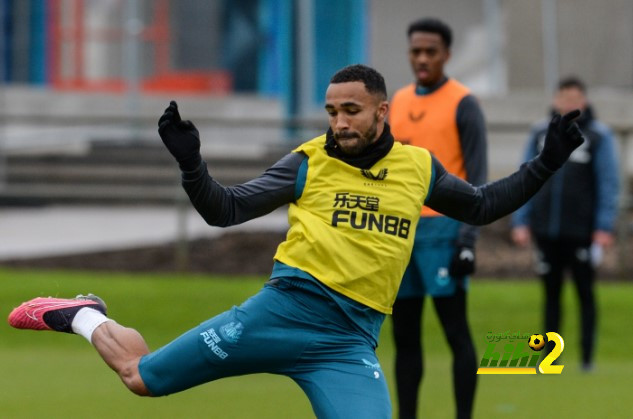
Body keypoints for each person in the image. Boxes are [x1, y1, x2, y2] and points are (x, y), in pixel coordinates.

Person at [9, 64, 584, 419]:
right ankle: (83, 316)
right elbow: (226, 209)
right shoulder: (308, 162)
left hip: (349, 343)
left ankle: (86, 316)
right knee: (142, 378)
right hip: (279, 312)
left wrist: (548, 161)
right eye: (332, 111)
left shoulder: (418, 167)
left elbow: (482, 205)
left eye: (351, 111)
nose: (339, 122)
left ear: (383, 111)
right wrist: (192, 164)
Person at [388, 18, 487, 419]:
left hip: (445, 234)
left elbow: (478, 177)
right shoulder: (396, 100)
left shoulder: (464, 102)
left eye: (431, 51)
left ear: (447, 54)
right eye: (416, 51)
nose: (423, 58)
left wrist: (468, 239)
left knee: (455, 333)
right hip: (402, 233)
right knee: (404, 337)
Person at [511, 76, 619, 371]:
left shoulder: (598, 136)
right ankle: (549, 358)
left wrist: (603, 227)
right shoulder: (540, 133)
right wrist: (521, 221)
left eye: (574, 98)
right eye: (563, 98)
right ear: (555, 101)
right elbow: (525, 178)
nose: (568, 103)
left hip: (582, 232)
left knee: (585, 294)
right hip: (547, 230)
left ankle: (586, 359)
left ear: (583, 102)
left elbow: (608, 182)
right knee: (551, 297)